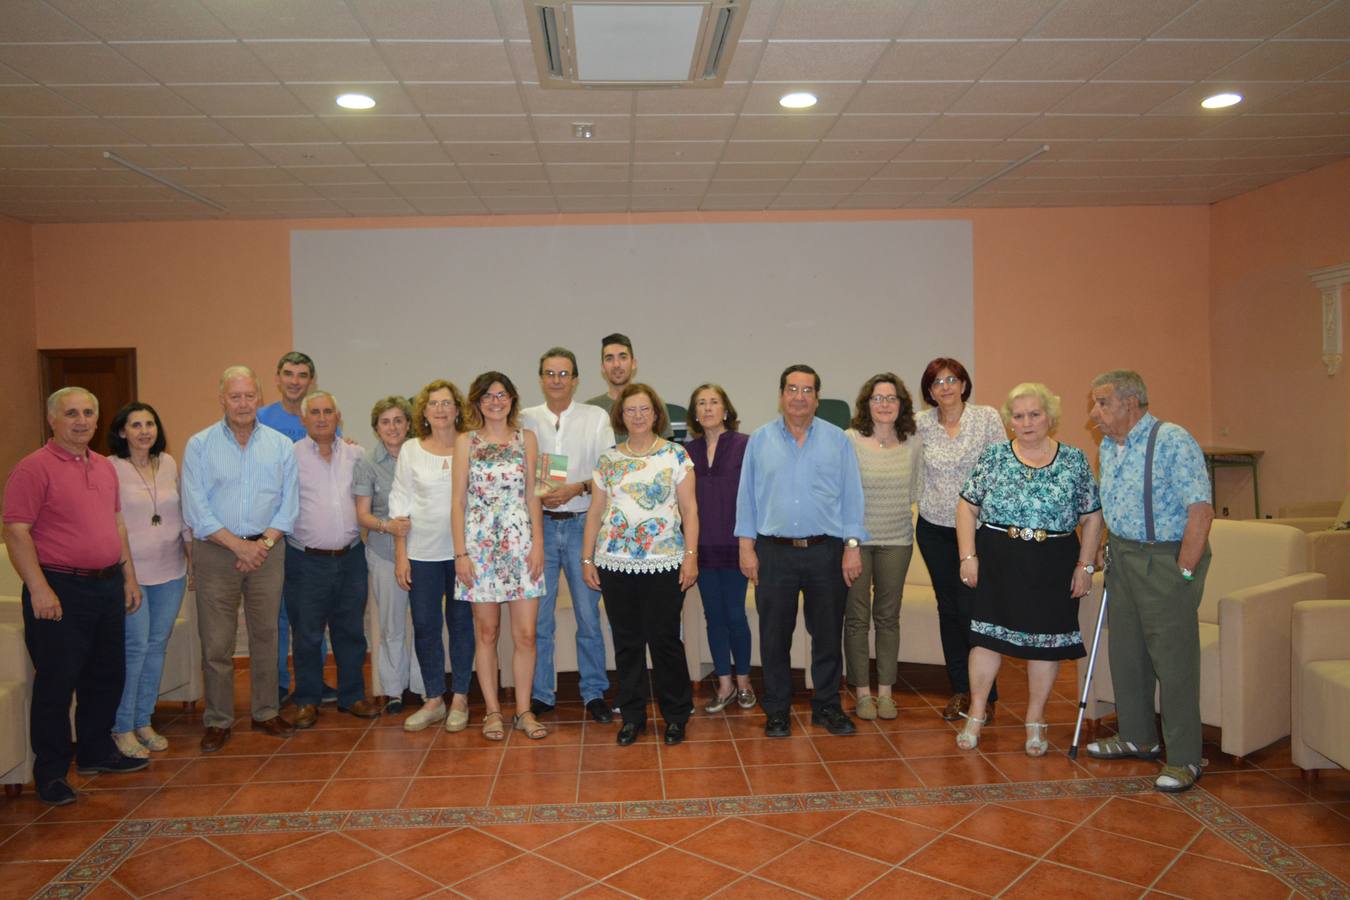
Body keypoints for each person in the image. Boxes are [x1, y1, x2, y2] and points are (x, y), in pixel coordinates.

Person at [3, 388, 146, 806]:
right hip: (59, 589)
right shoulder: (33, 469)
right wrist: (38, 588)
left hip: (106, 586)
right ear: (52, 420)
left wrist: (128, 578)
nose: (81, 421)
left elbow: (116, 525)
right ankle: (50, 774)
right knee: (57, 684)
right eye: (71, 414)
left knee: (106, 675)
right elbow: (16, 531)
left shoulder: (103, 467)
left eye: (88, 413)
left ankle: (95, 752)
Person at [954, 383, 1104, 756]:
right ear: (1009, 422)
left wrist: (1084, 565)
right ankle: (975, 713)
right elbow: (966, 507)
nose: (1026, 422)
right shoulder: (994, 457)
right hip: (998, 561)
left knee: (1045, 645)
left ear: (1050, 417)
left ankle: (1035, 720)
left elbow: (1092, 516)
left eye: (1034, 414)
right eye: (1018, 416)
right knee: (986, 639)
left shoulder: (1073, 460)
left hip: (1052, 563)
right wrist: (967, 556)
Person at [1086, 370, 1214, 793]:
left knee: (1173, 662)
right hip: (1123, 556)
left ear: (1130, 402)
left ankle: (1184, 759)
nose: (1095, 413)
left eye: (1102, 402)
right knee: (1127, 653)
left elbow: (1201, 511)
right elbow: (1113, 504)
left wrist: (1184, 570)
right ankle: (1138, 736)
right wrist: (1104, 547)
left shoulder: (1173, 440)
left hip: (1165, 558)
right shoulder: (1110, 445)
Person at [735, 364, 866, 739]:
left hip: (826, 550)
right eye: (792, 389)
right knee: (775, 637)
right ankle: (777, 710)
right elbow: (746, 499)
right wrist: (747, 548)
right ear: (781, 396)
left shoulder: (838, 440)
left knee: (827, 634)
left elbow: (852, 499)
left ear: (817, 398)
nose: (799, 397)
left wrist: (852, 547)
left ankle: (827, 706)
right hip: (774, 553)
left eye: (807, 390)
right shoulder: (759, 441)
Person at [181, 366, 298, 753]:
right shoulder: (199, 445)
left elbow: (289, 505)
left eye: (250, 396)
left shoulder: (281, 445)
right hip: (217, 552)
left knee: (267, 636)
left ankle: (265, 712)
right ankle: (218, 719)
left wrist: (260, 544)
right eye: (236, 396)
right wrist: (237, 546)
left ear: (259, 398)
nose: (243, 403)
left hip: (268, 550)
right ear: (222, 399)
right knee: (217, 642)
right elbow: (196, 508)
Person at [582, 384, 698, 746]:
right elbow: (596, 512)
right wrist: (587, 558)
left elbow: (691, 511)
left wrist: (691, 556)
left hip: (664, 563)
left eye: (643, 409)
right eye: (630, 410)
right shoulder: (608, 460)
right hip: (614, 563)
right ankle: (632, 716)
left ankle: (676, 715)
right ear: (621, 416)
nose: (636, 415)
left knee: (665, 642)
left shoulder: (676, 456)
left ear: (655, 413)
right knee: (627, 643)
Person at [520, 348, 616, 724]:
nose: (557, 380)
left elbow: (609, 471)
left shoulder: (596, 418)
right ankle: (542, 694)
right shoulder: (525, 418)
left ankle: (594, 692)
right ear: (540, 378)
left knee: (588, 618)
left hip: (581, 526)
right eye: (550, 373)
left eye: (564, 374)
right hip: (538, 528)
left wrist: (577, 487)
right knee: (539, 620)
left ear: (575, 379)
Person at [453, 373, 547, 742]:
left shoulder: (528, 439)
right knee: (487, 632)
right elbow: (458, 502)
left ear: (512, 399)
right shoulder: (466, 442)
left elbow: (534, 495)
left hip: (521, 544)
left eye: (502, 394)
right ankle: (492, 710)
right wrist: (460, 552)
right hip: (479, 548)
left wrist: (537, 543)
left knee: (525, 634)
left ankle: (524, 710)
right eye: (488, 396)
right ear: (477, 401)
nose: (496, 401)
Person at [913, 357, 1007, 723]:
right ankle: (958, 691)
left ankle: (986, 694)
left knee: (975, 610)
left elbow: (1001, 469)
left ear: (964, 384)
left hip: (980, 531)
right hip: (934, 528)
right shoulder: (920, 425)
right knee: (948, 608)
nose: (946, 387)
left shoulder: (986, 418)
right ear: (930, 392)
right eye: (937, 382)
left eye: (952, 379)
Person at [283, 391, 381, 729]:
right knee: (307, 633)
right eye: (315, 413)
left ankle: (352, 695)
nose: (322, 418)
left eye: (328, 412)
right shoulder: (289, 456)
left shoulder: (357, 454)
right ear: (304, 419)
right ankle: (307, 699)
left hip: (351, 556)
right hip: (305, 560)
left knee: (351, 631)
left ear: (338, 417)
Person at [388, 379, 475, 733]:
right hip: (421, 554)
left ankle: (461, 698)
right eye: (433, 404)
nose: (440, 409)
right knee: (425, 626)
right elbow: (400, 504)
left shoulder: (470, 445)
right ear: (422, 412)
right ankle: (434, 699)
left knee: (461, 626)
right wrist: (400, 556)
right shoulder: (410, 449)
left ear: (458, 409)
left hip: (462, 554)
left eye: (447, 403)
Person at [107, 402, 192, 759]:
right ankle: (121, 727)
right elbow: (115, 524)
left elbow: (181, 513)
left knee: (157, 645)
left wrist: (192, 557)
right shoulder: (111, 468)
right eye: (136, 424)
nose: (144, 431)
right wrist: (127, 576)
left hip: (170, 571)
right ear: (122, 431)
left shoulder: (168, 462)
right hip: (132, 575)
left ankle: (144, 720)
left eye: (150, 424)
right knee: (135, 648)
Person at [256, 350, 336, 705]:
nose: (295, 381)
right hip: (270, 534)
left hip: (307, 536)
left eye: (302, 375)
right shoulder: (260, 418)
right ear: (277, 377)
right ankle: (275, 686)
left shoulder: (322, 417)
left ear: (311, 380)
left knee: (311, 617)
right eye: (288, 373)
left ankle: (312, 685)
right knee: (275, 617)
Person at [843, 374, 921, 721]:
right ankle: (862, 693)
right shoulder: (850, 441)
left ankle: (886, 693)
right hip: (857, 543)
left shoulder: (914, 443)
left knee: (888, 618)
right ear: (867, 404)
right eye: (878, 398)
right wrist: (850, 543)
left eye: (892, 398)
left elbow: (916, 490)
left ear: (901, 405)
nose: (885, 404)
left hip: (898, 542)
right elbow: (842, 496)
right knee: (857, 619)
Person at [684, 383, 755, 713]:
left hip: (736, 545)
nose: (708, 407)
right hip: (703, 547)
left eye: (714, 402)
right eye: (702, 403)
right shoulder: (687, 452)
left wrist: (749, 546)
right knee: (714, 617)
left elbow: (754, 498)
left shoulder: (745, 445)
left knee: (735, 615)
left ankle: (744, 683)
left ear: (726, 410)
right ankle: (724, 684)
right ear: (695, 414)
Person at [353, 396, 421, 713]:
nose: (392, 427)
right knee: (392, 624)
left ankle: (424, 688)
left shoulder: (422, 453)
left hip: (424, 553)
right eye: (385, 421)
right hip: (383, 552)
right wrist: (388, 526)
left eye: (398, 420)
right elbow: (363, 516)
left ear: (408, 424)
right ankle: (394, 691)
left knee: (424, 622)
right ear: (376, 428)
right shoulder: (367, 463)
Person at [585, 332, 672, 439]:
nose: (616, 364)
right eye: (609, 359)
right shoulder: (590, 409)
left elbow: (668, 450)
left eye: (623, 357)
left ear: (634, 363)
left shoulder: (654, 404)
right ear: (602, 367)